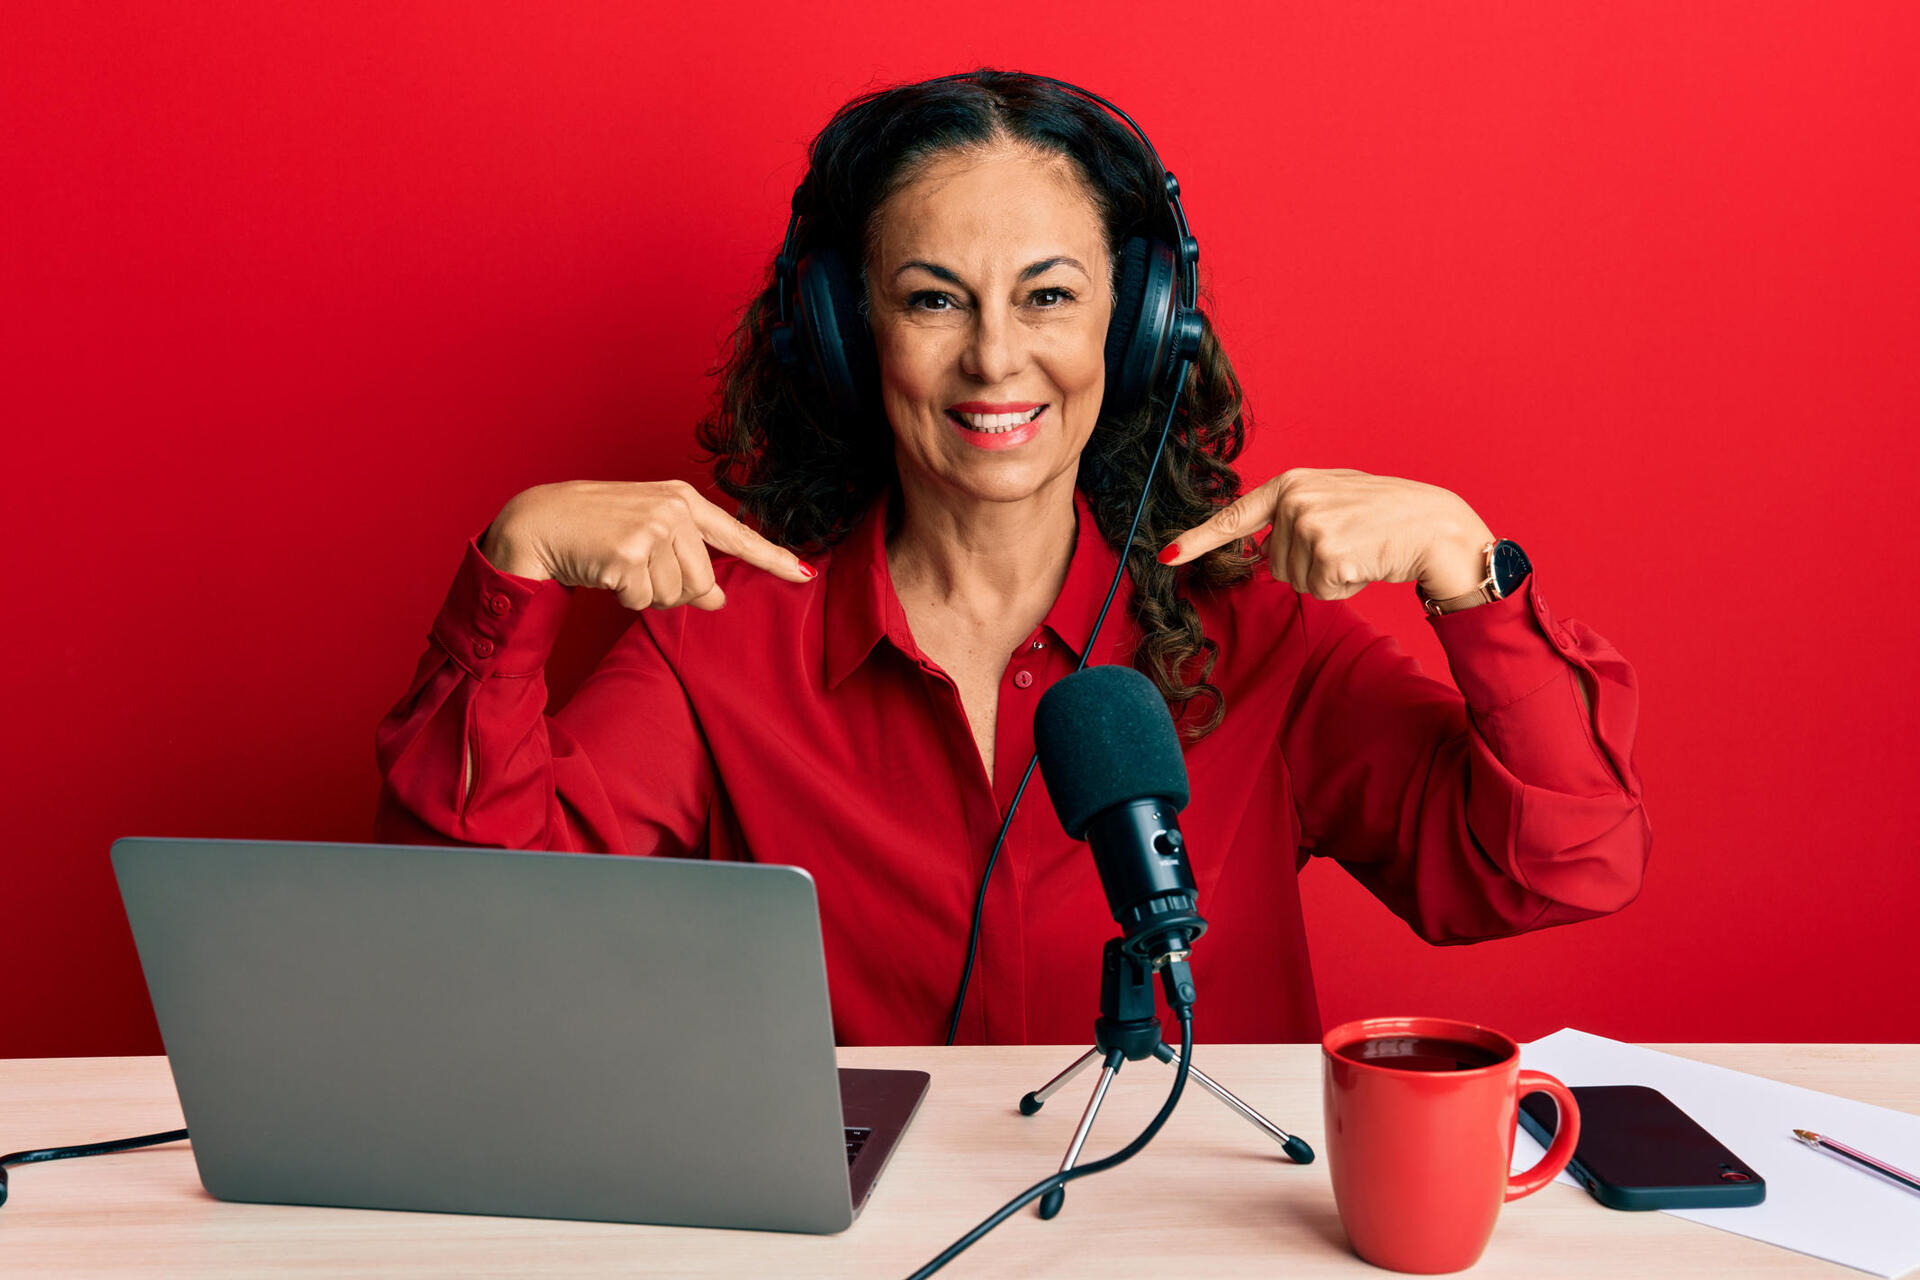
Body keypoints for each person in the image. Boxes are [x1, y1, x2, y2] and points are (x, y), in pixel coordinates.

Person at [374, 69, 1650, 1046]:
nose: (994, 358)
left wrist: (1470, 573)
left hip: (1185, 1241)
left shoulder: (1260, 637)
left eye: (1048, 295)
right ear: (844, 332)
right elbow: (471, 943)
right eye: (934, 298)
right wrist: (516, 562)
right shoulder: (721, 643)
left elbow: (1563, 860)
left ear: (1140, 325)